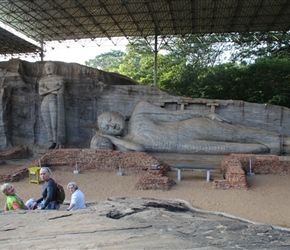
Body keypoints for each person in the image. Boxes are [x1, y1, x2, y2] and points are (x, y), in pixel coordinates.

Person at [93, 101, 282, 155]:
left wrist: (205, 114)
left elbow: (174, 115)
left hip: (191, 129)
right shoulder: (130, 141)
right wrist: (112, 140)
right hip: (187, 146)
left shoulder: (140, 111)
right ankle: (274, 148)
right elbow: (140, 150)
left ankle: (282, 141)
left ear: (117, 112)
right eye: (106, 128)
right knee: (242, 148)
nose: (111, 125)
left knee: (238, 134)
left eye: (109, 119)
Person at [39, 61, 66, 149]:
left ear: (55, 68)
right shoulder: (42, 80)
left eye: (50, 66)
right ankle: (51, 141)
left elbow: (60, 92)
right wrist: (54, 89)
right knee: (47, 123)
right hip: (45, 102)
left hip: (54, 101)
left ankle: (57, 141)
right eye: (46, 67)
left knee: (55, 122)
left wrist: (46, 91)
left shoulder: (60, 78)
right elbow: (40, 93)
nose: (48, 68)